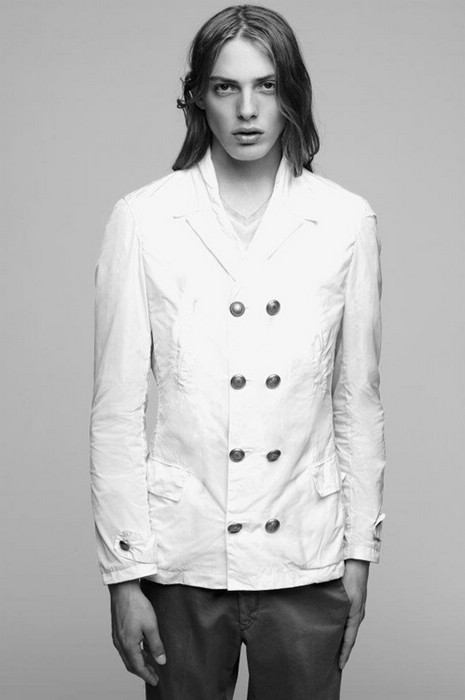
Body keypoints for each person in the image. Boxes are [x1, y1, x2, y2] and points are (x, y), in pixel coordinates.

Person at [89, 5, 386, 699]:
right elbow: (116, 411)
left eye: (266, 86)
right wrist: (124, 575)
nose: (247, 110)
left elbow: (358, 401)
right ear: (198, 96)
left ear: (291, 94)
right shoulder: (144, 219)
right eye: (226, 87)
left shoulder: (345, 220)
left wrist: (358, 553)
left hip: (305, 554)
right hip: (181, 554)